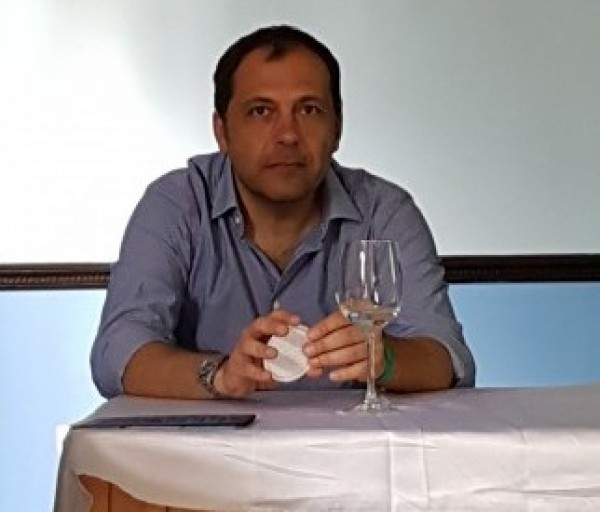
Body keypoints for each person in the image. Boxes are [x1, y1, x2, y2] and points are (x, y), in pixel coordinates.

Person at [91, 25, 475, 400]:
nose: (287, 134)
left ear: (337, 128)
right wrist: (220, 376)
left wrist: (385, 359)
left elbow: (448, 359)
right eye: (261, 111)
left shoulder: (384, 210)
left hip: (349, 442)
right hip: (209, 443)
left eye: (309, 110)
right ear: (222, 131)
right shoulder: (176, 203)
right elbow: (118, 352)